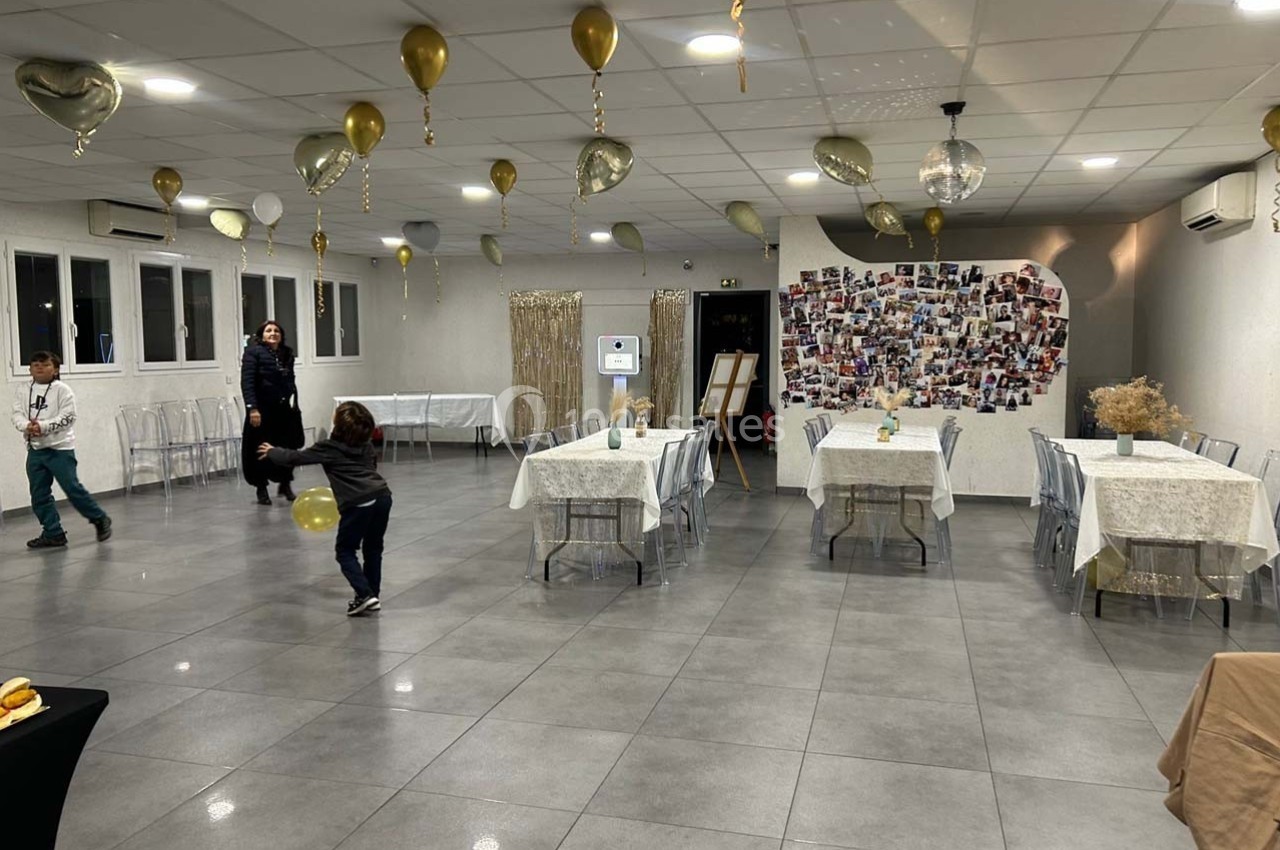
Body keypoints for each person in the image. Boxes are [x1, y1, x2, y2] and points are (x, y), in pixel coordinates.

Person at [259, 402, 391, 616]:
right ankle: (371, 595)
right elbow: (371, 466)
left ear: (338, 424)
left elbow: (296, 457)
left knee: (345, 551)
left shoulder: (329, 447)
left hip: (358, 502)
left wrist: (273, 451)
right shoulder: (365, 444)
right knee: (373, 549)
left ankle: (365, 595)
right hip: (383, 496)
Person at [11, 351, 111, 549]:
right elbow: (17, 414)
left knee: (72, 488)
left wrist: (43, 426)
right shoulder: (23, 389)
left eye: (45, 364)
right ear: (29, 369)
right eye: (35, 364)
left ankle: (99, 518)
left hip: (60, 449)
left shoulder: (63, 390)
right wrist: (26, 426)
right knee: (39, 494)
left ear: (55, 369)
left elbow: (69, 417)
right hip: (36, 450)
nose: (39, 367)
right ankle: (53, 532)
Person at [241, 320, 305, 506]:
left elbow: (289, 378)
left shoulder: (287, 353)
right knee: (260, 449)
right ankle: (261, 488)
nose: (273, 333)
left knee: (287, 446)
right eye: (268, 330)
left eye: (276, 330)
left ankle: (285, 484)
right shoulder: (253, 353)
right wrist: (252, 408)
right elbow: (248, 382)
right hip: (261, 410)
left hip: (283, 409)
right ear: (261, 335)